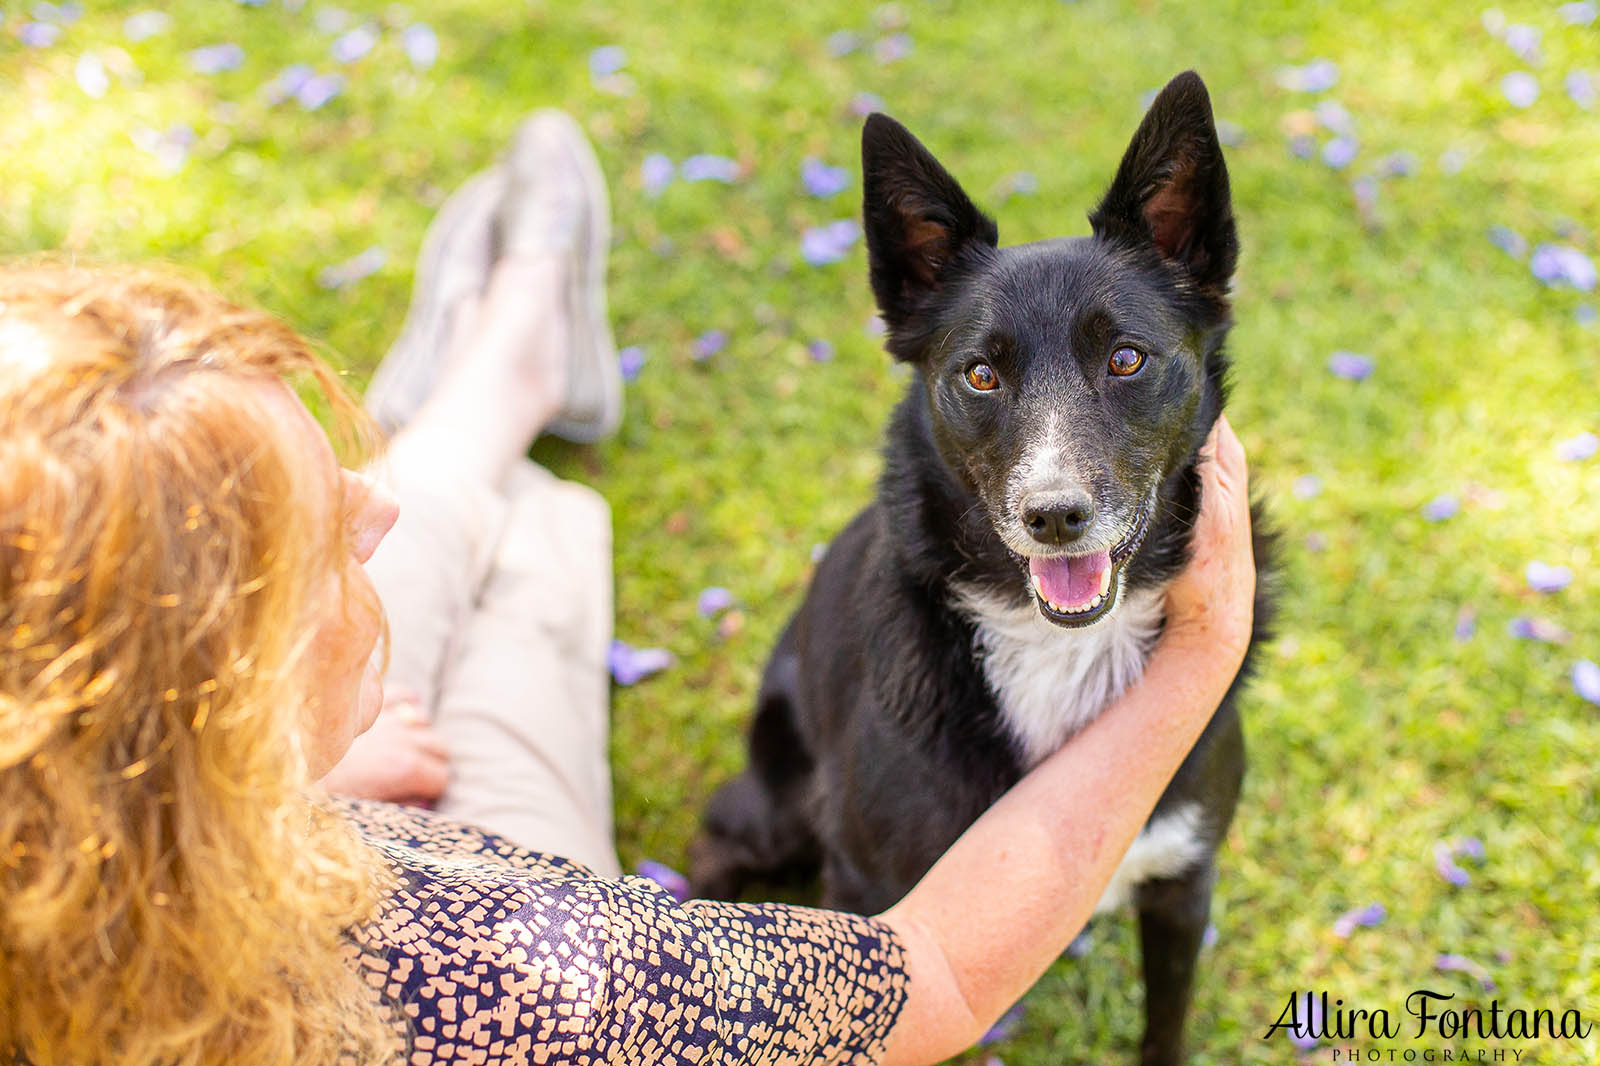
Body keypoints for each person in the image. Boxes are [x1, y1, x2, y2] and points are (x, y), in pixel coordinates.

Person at [0, 111, 1257, 1066]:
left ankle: (504, 372)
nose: (366, 505)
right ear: (185, 701)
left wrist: (273, 794)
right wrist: (1200, 656)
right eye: (299, 529)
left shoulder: (82, 823)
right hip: (419, 863)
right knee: (542, 553)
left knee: (469, 517)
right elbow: (914, 973)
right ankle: (505, 388)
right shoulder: (514, 978)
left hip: (274, 805)